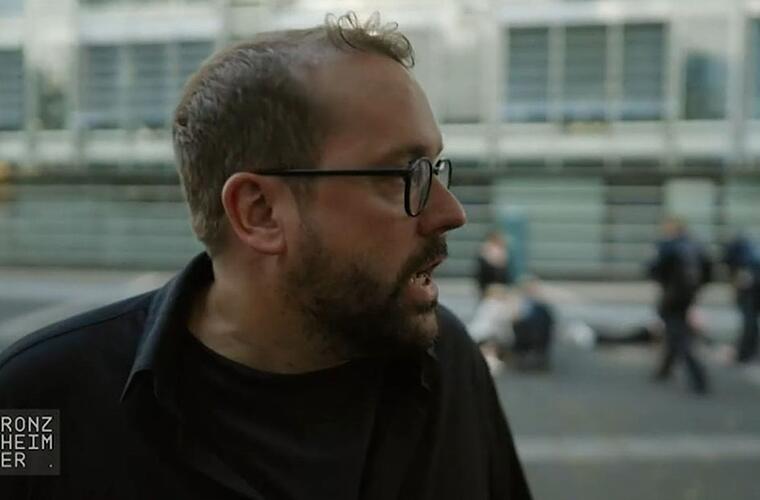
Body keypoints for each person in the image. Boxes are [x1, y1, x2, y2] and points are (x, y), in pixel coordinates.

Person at [0, 13, 532, 500]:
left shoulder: (448, 362)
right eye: (404, 176)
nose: (451, 212)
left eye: (434, 169)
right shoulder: (38, 401)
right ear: (260, 212)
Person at [647, 216, 712, 395]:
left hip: (672, 296)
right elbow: (708, 271)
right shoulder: (696, 246)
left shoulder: (669, 246)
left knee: (677, 334)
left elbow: (654, 269)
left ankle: (697, 375)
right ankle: (665, 370)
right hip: (688, 296)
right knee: (674, 332)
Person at [723, 233, 760, 363]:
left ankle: (746, 353)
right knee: (751, 323)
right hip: (751, 290)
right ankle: (749, 352)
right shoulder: (751, 253)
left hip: (749, 291)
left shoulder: (745, 260)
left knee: (749, 322)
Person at [475, 230, 515, 298]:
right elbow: (483, 272)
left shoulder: (503, 252)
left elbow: (507, 272)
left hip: (501, 285)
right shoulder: (484, 251)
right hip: (488, 286)